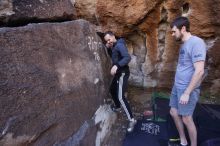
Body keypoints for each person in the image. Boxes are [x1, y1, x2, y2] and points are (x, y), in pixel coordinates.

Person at [169, 16, 207, 146]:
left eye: (174, 31)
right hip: (177, 86)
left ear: (183, 28)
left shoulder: (196, 43)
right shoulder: (184, 45)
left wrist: (187, 92)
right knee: (173, 112)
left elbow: (200, 71)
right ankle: (183, 140)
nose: (172, 34)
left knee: (186, 118)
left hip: (187, 89)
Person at [104, 31, 136, 132]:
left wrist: (117, 66)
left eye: (109, 39)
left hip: (122, 73)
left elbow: (127, 57)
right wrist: (109, 48)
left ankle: (132, 119)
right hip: (118, 73)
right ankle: (118, 107)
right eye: (106, 41)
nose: (108, 41)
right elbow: (114, 57)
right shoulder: (114, 46)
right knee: (112, 89)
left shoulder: (120, 45)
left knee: (121, 97)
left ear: (113, 36)